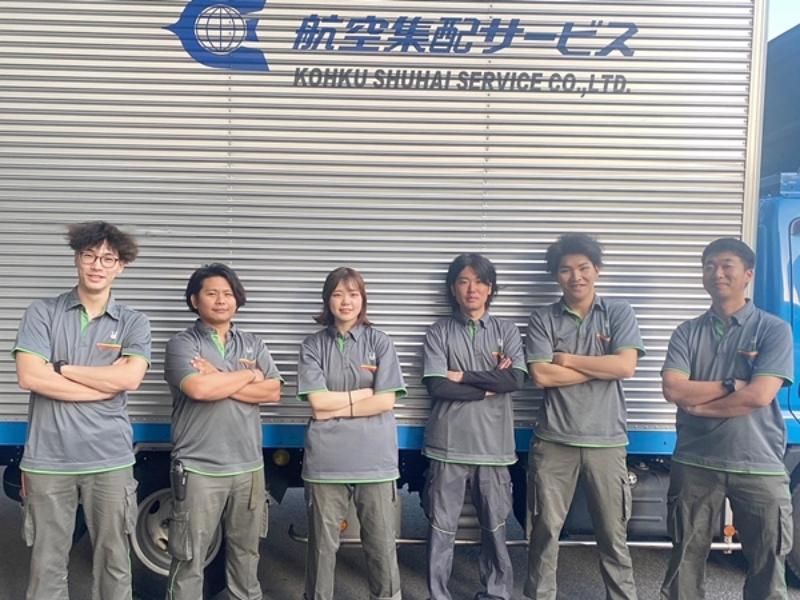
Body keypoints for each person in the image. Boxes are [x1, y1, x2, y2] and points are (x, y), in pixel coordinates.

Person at [13, 221, 151, 600]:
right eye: (89, 256)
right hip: (48, 459)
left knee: (114, 561)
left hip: (109, 459)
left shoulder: (133, 322)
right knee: (47, 563)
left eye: (108, 258)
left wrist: (60, 368)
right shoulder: (42, 312)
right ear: (77, 258)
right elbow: (29, 376)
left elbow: (130, 378)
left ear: (121, 266)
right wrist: (102, 386)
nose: (97, 265)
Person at [659, 238, 793, 600]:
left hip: (759, 464)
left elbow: (759, 396)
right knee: (685, 562)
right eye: (709, 266)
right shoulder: (687, 332)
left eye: (727, 265)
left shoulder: (773, 329)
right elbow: (673, 388)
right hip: (695, 461)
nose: (717, 273)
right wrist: (732, 384)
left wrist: (700, 407)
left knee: (768, 565)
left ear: (748, 274)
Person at [524, 233, 642, 600]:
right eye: (565, 270)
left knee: (613, 534)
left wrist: (568, 359)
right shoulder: (543, 318)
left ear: (597, 270)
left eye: (583, 268)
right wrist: (601, 366)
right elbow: (541, 376)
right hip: (554, 441)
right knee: (544, 531)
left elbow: (625, 367)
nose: (575, 276)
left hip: (607, 441)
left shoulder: (618, 312)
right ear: (555, 276)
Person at [163, 263, 282, 600]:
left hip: (248, 469)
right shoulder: (182, 344)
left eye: (228, 294)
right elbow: (199, 389)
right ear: (194, 300)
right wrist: (249, 376)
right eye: (212, 293)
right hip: (199, 469)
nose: (221, 300)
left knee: (246, 556)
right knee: (188, 558)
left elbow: (273, 392)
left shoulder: (253, 343)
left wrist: (218, 377)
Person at [297, 266, 406, 600]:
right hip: (326, 463)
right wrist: (364, 393)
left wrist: (335, 406)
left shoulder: (380, 342)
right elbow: (317, 403)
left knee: (381, 545)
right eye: (338, 294)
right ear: (327, 300)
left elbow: (386, 401)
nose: (346, 301)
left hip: (375, 462)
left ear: (363, 299)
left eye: (353, 294)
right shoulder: (313, 345)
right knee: (321, 548)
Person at [421, 253, 526, 600]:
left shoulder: (506, 331)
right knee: (441, 528)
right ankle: (438, 594)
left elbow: (514, 380)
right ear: (453, 288)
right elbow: (437, 386)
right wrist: (488, 385)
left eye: (480, 282)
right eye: (464, 281)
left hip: (494, 448)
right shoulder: (438, 332)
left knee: (495, 527)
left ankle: (497, 592)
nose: (472, 289)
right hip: (447, 445)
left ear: (490, 288)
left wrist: (462, 376)